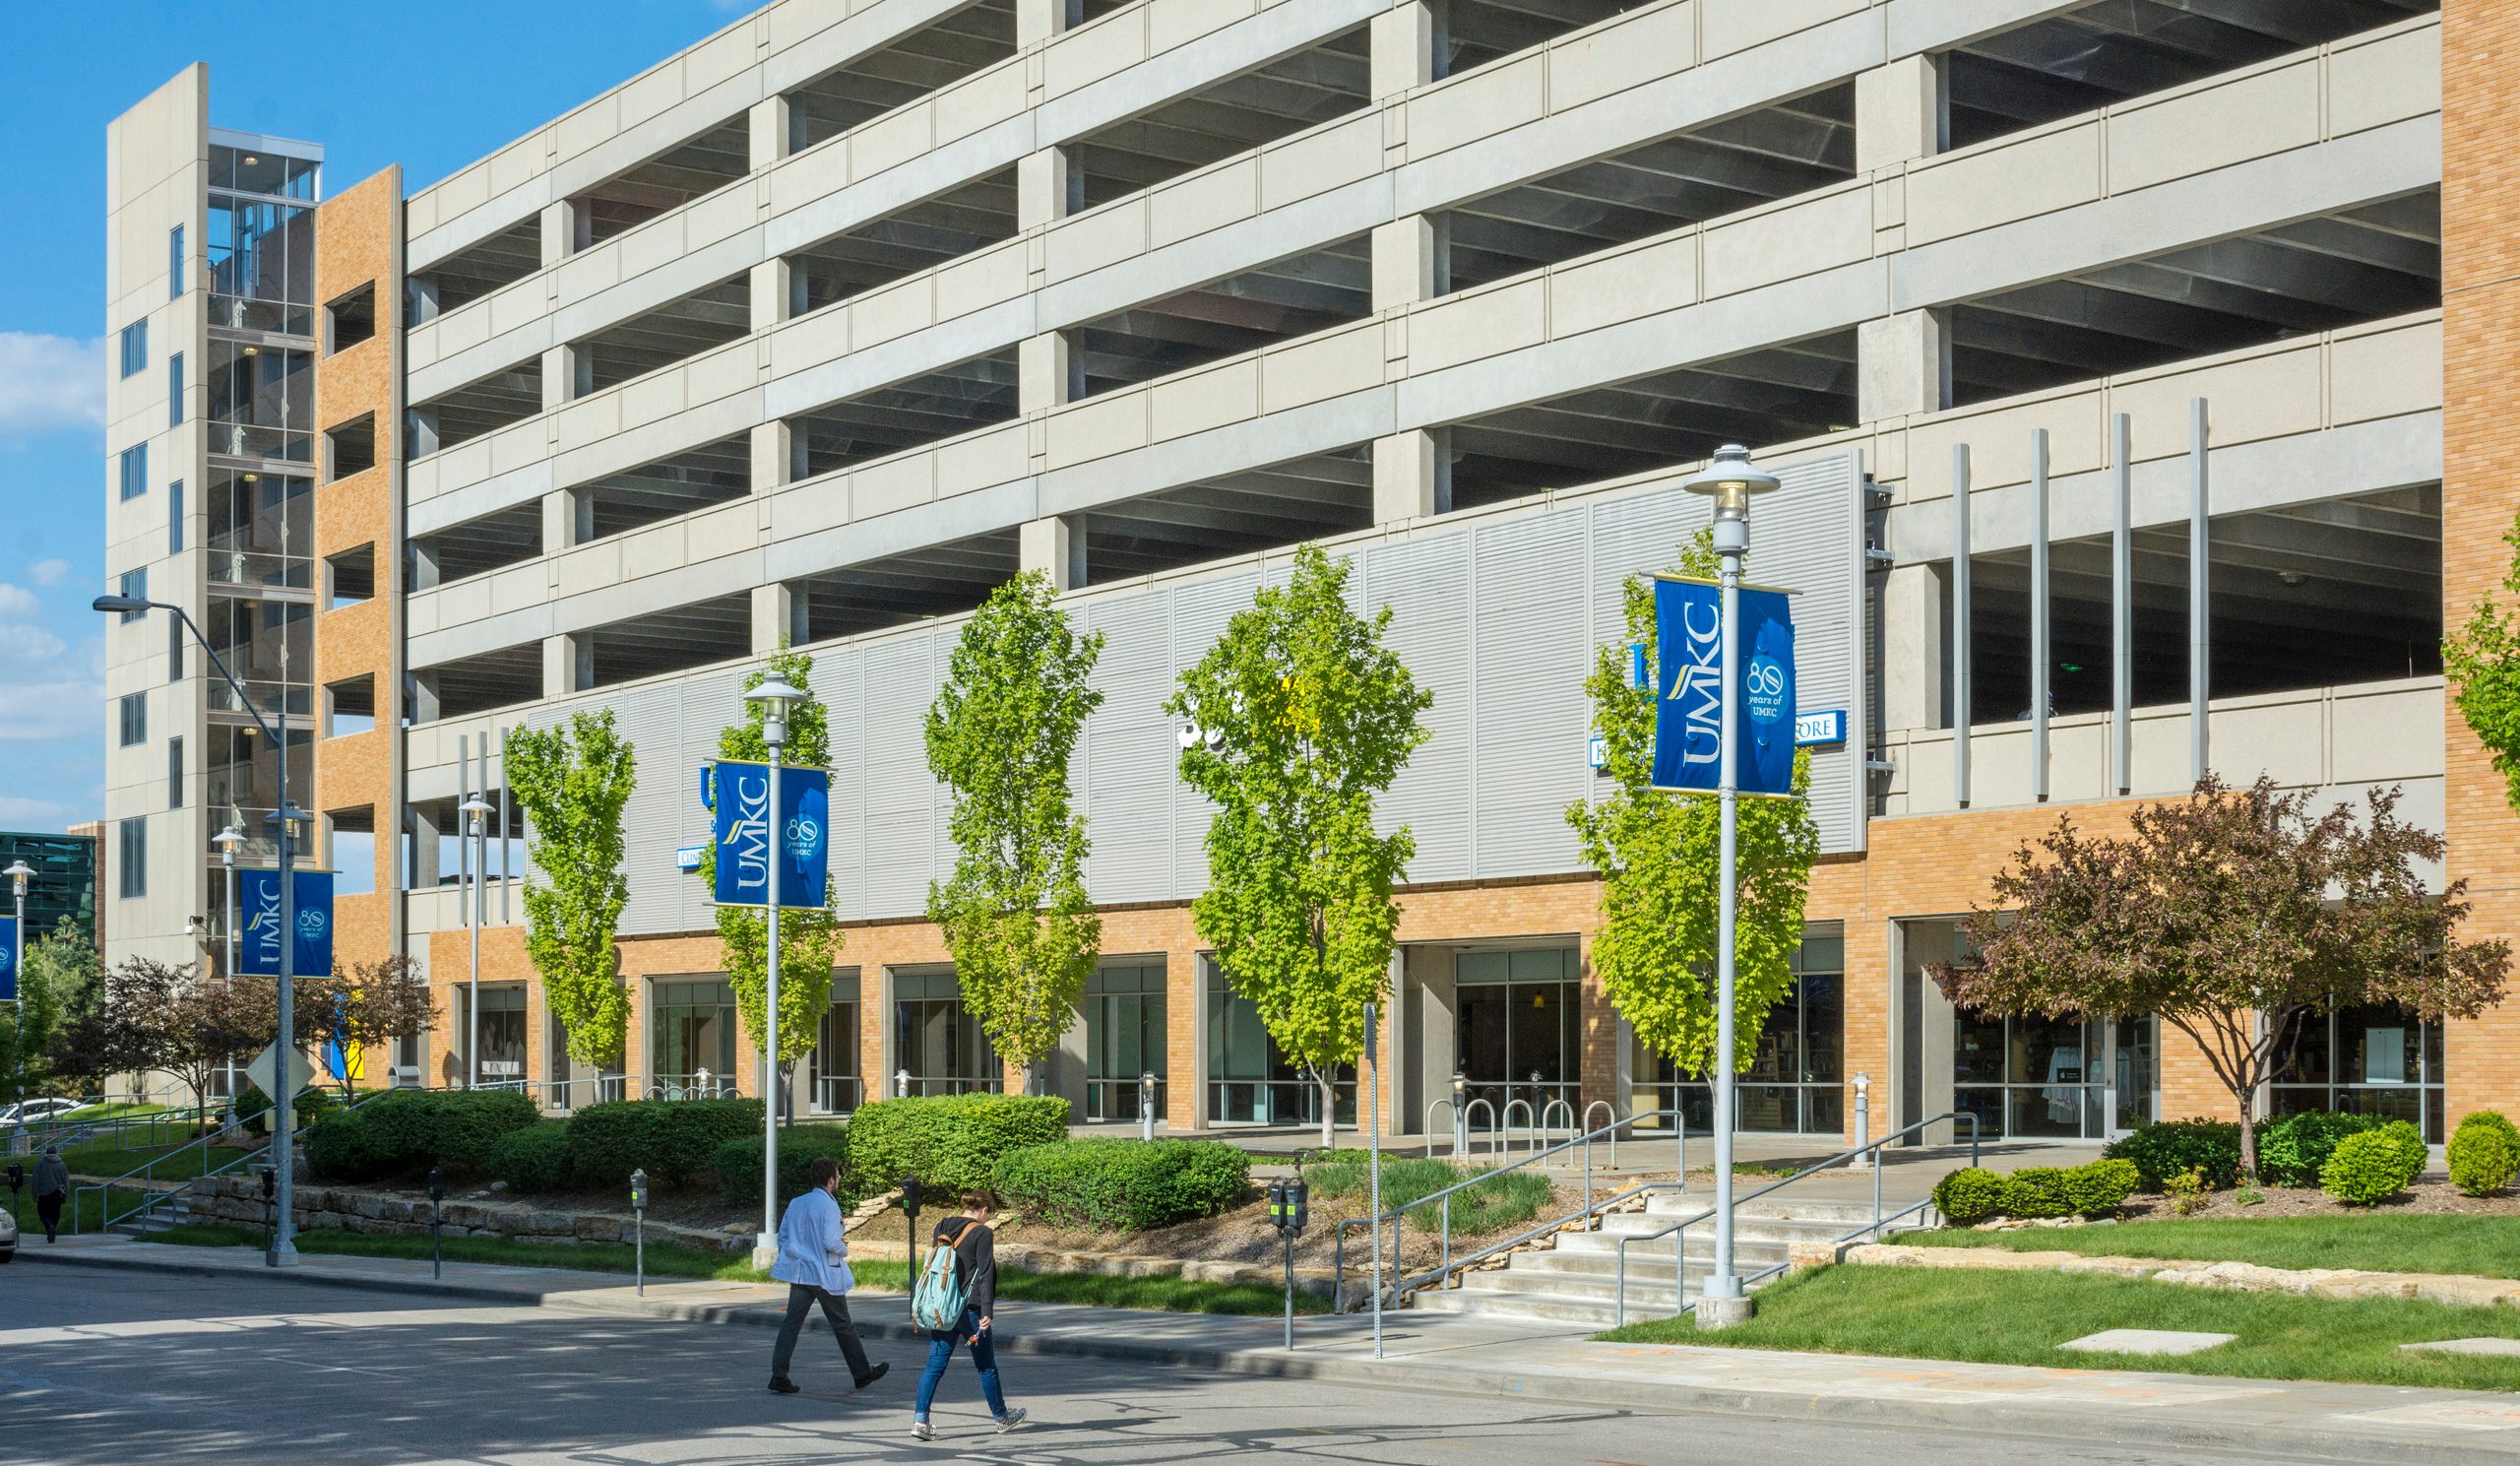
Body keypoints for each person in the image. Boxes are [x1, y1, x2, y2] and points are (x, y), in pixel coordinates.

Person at [767, 1155, 888, 1396]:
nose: (839, 1179)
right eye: (838, 1176)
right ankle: (862, 1372)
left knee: (791, 1324)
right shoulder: (829, 1205)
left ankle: (779, 1375)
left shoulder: (797, 1202)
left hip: (801, 1274)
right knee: (842, 1324)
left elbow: (783, 1237)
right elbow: (831, 1242)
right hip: (823, 1275)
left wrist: (796, 1256)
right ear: (831, 1180)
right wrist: (845, 1249)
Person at [912, 1190, 1026, 1441]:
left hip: (943, 1309)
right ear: (984, 1210)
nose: (987, 1219)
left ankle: (920, 1421)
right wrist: (987, 1312)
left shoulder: (942, 1225)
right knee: (986, 1366)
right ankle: (1002, 1418)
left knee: (935, 1365)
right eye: (989, 1214)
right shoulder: (982, 1232)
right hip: (970, 1309)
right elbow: (985, 1272)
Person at [32, 1145, 68, 1243]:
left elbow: (35, 1179)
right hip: (57, 1192)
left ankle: (49, 1226)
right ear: (56, 1152)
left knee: (42, 1213)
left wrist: (35, 1194)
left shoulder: (40, 1163)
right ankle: (52, 1228)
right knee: (55, 1214)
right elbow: (66, 1181)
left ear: (46, 1152)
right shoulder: (62, 1164)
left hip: (44, 1193)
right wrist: (65, 1196)